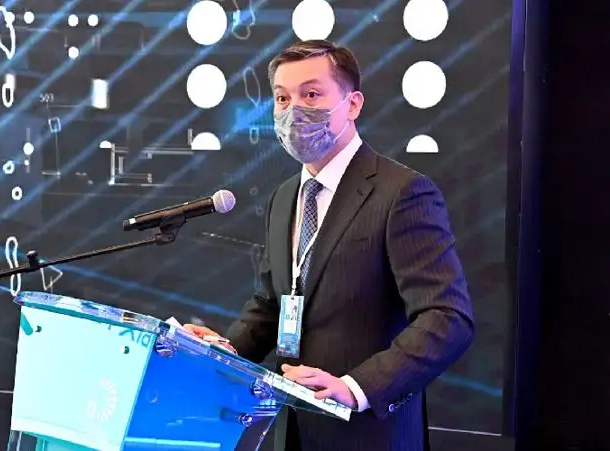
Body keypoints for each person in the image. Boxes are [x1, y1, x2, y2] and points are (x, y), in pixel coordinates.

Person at [185, 40, 475, 451]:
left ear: (352, 104)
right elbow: (272, 304)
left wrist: (357, 387)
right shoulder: (286, 197)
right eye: (282, 98)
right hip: (292, 428)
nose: (293, 110)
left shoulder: (402, 193)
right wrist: (223, 351)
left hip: (368, 433)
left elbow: (447, 318)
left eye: (311, 94)